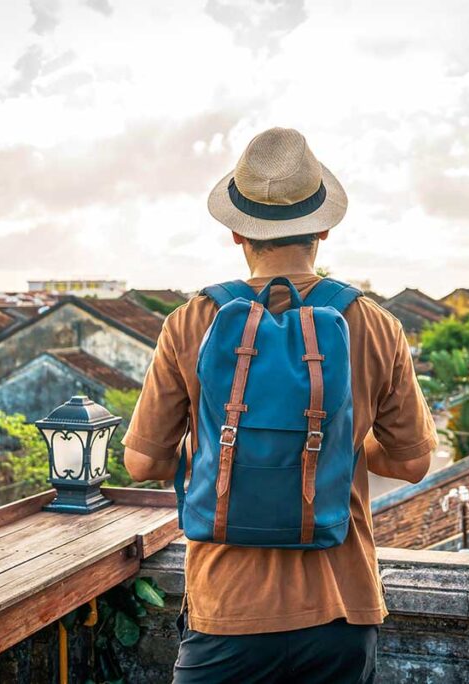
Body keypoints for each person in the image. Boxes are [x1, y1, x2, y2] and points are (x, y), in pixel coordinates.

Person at [124, 127, 438, 683]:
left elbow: (143, 464)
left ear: (236, 234)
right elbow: (411, 463)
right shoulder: (373, 323)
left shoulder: (191, 321)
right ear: (323, 226)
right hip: (342, 606)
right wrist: (342, 442)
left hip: (227, 608)